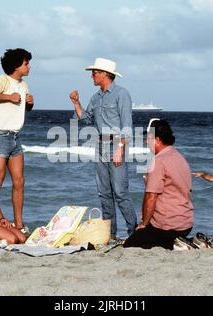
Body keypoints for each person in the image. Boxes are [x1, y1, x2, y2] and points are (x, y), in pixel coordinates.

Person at [69, 58, 137, 239]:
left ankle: (133, 232)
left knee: (120, 192)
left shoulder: (122, 94)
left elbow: (127, 124)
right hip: (99, 145)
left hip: (116, 144)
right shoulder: (95, 97)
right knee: (104, 193)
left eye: (95, 72)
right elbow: (85, 119)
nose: (92, 75)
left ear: (105, 74)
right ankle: (110, 234)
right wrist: (76, 103)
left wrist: (120, 148)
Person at [0, 48, 34, 232]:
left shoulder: (24, 84)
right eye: (26, 63)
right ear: (16, 66)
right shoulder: (1, 80)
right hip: (0, 135)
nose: (29, 66)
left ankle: (19, 224)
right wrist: (8, 97)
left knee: (19, 182)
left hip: (16, 137)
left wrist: (29, 105)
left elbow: (21, 109)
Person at [123, 120, 194, 250]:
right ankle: (177, 242)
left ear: (157, 139)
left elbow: (151, 197)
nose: (145, 142)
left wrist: (144, 224)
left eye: (148, 138)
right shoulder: (179, 156)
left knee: (130, 245)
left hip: (168, 225)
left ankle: (174, 244)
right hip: (186, 224)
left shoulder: (158, 161)